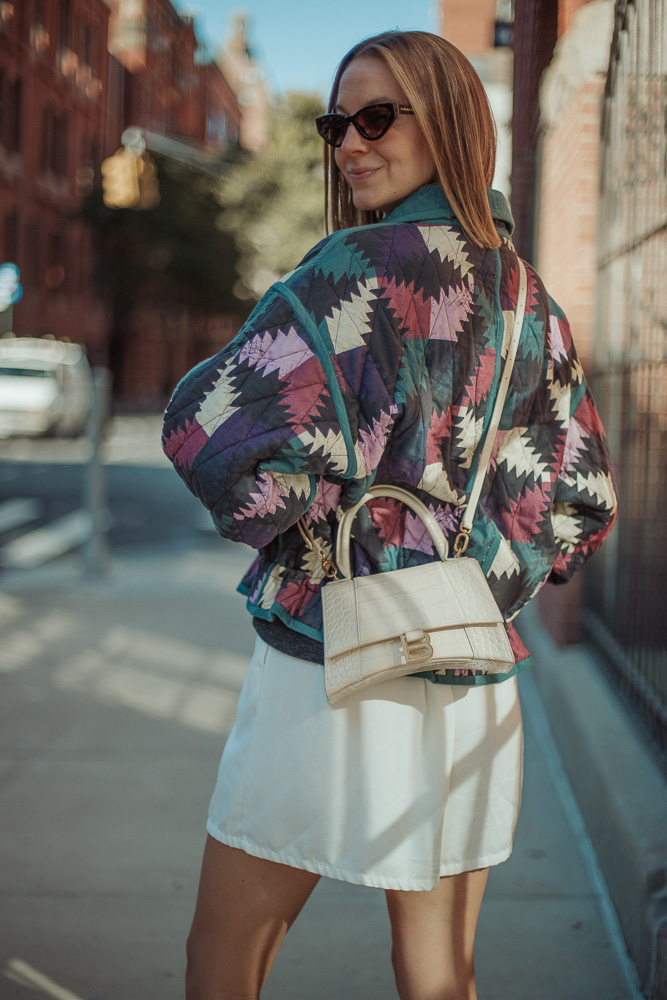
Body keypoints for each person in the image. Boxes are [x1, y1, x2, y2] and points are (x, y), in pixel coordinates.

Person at [162, 30, 618, 1000]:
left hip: (330, 664)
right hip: (471, 674)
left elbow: (208, 436)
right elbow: (578, 492)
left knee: (224, 958)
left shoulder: (351, 273)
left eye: (377, 118)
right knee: (439, 973)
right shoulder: (528, 297)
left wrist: (322, 509)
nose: (348, 145)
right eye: (337, 122)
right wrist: (479, 566)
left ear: (449, 123)